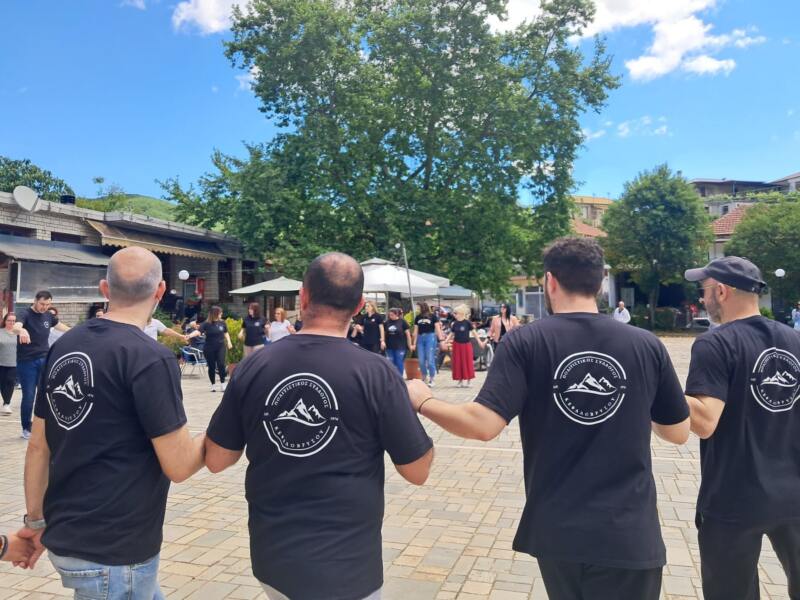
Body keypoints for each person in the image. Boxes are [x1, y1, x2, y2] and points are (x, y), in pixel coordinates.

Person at [406, 237, 690, 600]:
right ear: (600, 284)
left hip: (558, 530)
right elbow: (678, 432)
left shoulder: (526, 342)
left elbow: (483, 424)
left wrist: (424, 401)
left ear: (550, 281)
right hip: (629, 531)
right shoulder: (646, 344)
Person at [203, 252, 433, 600]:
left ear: (303, 296)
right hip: (347, 566)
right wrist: (423, 403)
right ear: (359, 306)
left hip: (273, 561)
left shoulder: (254, 366)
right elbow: (417, 470)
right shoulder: (377, 373)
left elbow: (217, 459)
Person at [17, 246, 205, 596]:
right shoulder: (151, 358)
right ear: (160, 290)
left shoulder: (65, 345)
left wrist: (35, 520)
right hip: (115, 552)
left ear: (105, 289)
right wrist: (220, 430)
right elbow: (179, 465)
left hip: (71, 535)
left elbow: (39, 445)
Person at [683, 256, 800, 600]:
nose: (702, 297)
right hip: (794, 491)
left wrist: (655, 386)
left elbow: (705, 422)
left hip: (733, 497)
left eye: (704, 289)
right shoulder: (794, 340)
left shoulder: (715, 343)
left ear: (721, 291)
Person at [13, 291, 71, 440]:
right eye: (42, 304)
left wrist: (78, 331)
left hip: (45, 360)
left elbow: (62, 327)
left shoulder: (48, 316)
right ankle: (26, 427)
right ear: (35, 301)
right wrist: (22, 330)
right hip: (27, 362)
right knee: (29, 396)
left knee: (47, 394)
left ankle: (45, 425)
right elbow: (15, 327)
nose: (44, 307)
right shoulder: (25, 313)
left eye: (48, 304)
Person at [188, 306, 232, 392]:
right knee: (211, 366)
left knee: (221, 364)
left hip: (221, 347)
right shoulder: (206, 324)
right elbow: (198, 332)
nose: (221, 314)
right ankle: (213, 385)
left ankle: (223, 384)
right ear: (215, 314)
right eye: (220, 312)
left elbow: (226, 333)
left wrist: (229, 342)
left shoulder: (222, 322)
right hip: (209, 348)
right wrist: (189, 335)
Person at [447, 304, 484, 387]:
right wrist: (445, 341)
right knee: (458, 362)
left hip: (466, 345)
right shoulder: (454, 324)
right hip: (457, 345)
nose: (454, 315)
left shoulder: (468, 323)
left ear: (460, 313)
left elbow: (474, 333)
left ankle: (469, 381)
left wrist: (479, 342)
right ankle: (460, 381)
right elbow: (451, 334)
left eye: (455, 313)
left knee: (467, 362)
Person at [412, 302, 443, 387]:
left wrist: (441, 340)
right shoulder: (417, 317)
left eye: (419, 307)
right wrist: (414, 343)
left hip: (430, 337)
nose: (418, 309)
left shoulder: (433, 316)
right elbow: (415, 331)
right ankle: (424, 376)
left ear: (423, 307)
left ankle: (432, 378)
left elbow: (437, 329)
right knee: (421, 360)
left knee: (430, 359)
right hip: (420, 338)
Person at [0, 312, 20, 415]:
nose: (11, 322)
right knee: (2, 384)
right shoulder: (1, 332)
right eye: (9, 320)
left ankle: (6, 403)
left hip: (14, 363)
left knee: (10, 383)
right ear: (5, 321)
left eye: (13, 321)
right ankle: (5, 401)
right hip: (1, 363)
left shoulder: (19, 333)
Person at [384, 307, 412, 376]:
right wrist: (383, 342)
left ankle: (400, 378)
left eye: (392, 315)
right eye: (389, 315)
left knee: (399, 362)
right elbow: (384, 333)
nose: (390, 316)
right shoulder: (387, 322)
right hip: (389, 346)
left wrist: (410, 345)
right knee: (390, 362)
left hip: (400, 346)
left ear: (396, 314)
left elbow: (408, 335)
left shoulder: (403, 322)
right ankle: (392, 377)